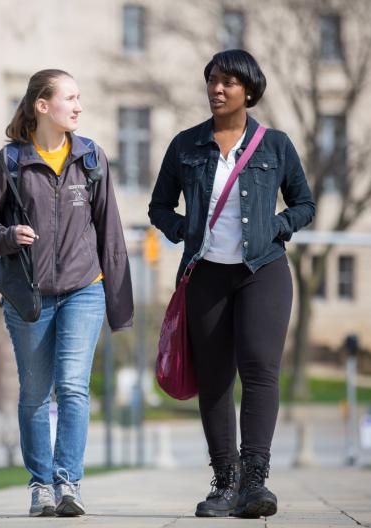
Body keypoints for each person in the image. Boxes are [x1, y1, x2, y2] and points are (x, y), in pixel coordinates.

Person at [149, 49, 315, 519]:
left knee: (260, 369)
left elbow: (304, 203)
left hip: (263, 271)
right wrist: (186, 231)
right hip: (205, 275)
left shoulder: (275, 145)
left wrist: (278, 227)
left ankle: (255, 483)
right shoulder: (186, 145)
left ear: (249, 90)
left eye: (228, 82)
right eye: (212, 81)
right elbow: (159, 207)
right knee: (215, 380)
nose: (217, 89)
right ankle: (225, 482)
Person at [0, 69, 133, 517]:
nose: (79, 106)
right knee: (35, 394)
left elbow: (110, 234)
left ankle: (68, 483)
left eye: (79, 98)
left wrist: (119, 305)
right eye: (70, 98)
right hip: (31, 297)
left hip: (85, 290)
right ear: (43, 105)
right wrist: (7, 236)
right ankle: (40, 484)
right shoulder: (10, 163)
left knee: (74, 389)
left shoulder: (91, 158)